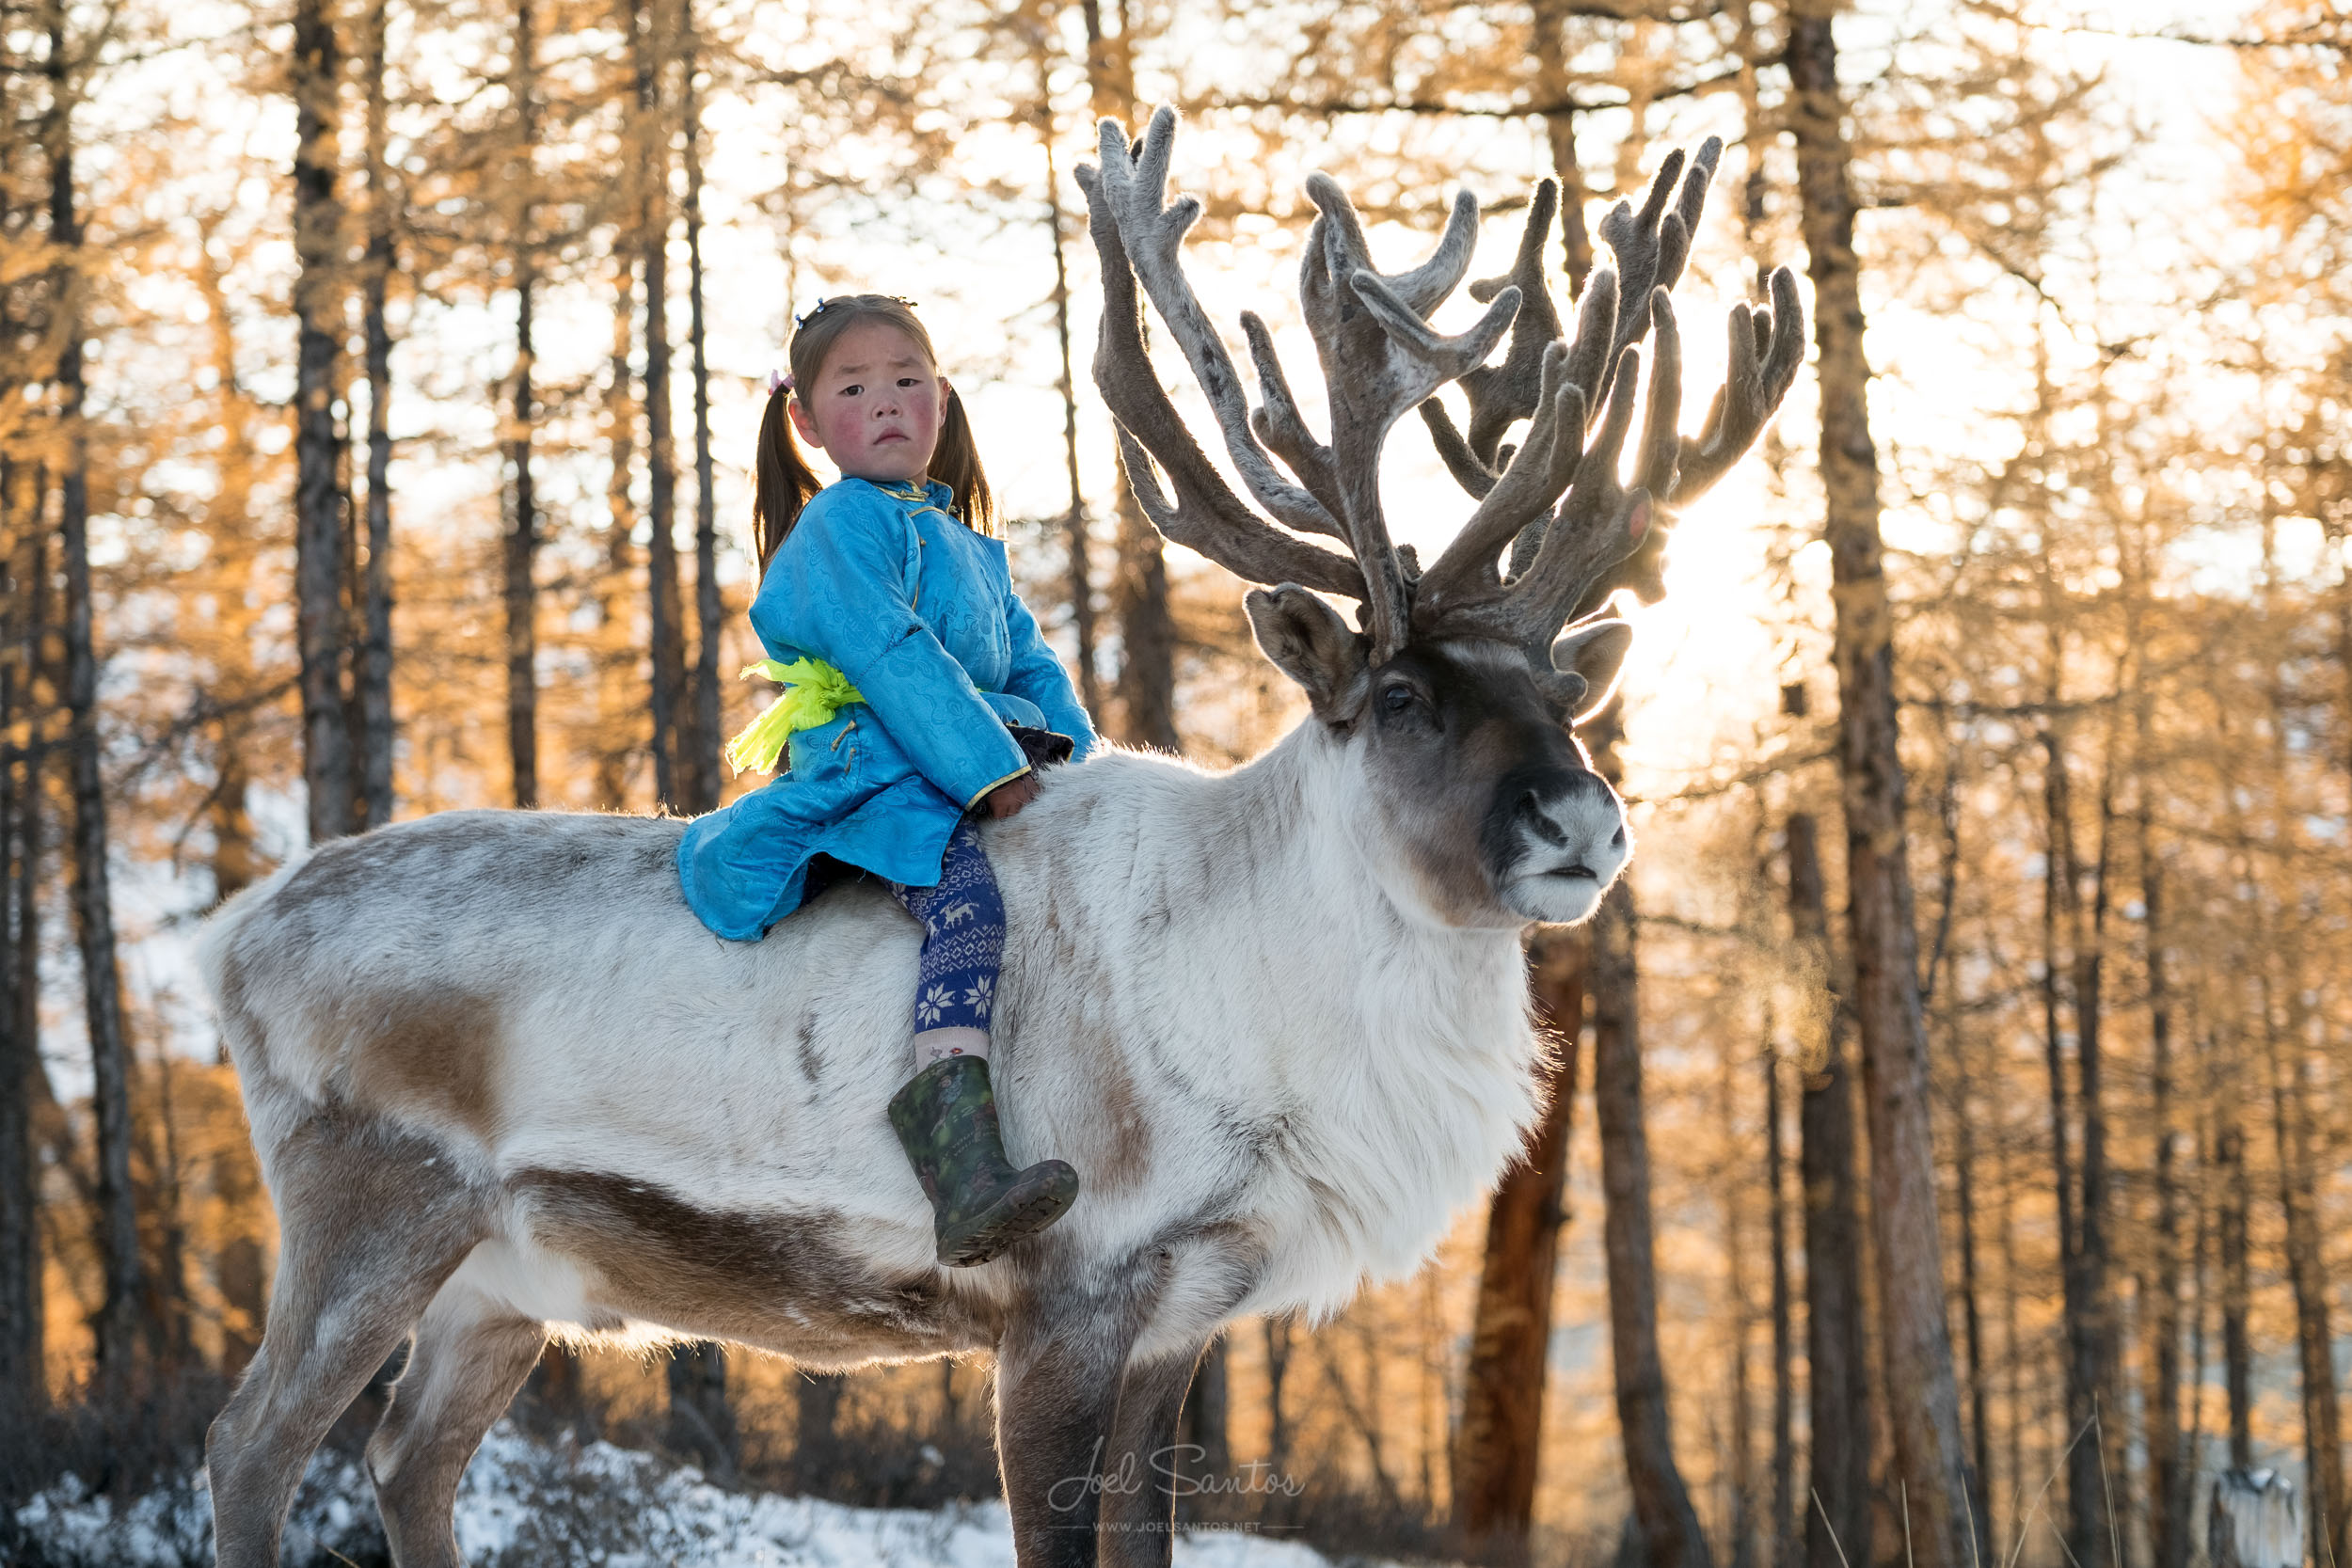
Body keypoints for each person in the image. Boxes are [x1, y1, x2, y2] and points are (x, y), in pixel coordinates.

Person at [675, 293, 1097, 1267]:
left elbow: (1029, 668)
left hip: (955, 756)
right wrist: (990, 773)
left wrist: (1082, 769)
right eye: (855, 387)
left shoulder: (960, 537)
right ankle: (962, 1164)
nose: (887, 402)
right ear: (808, 422)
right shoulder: (839, 527)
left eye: (907, 380)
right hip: (884, 774)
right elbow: (891, 652)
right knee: (969, 906)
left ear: (940, 402)